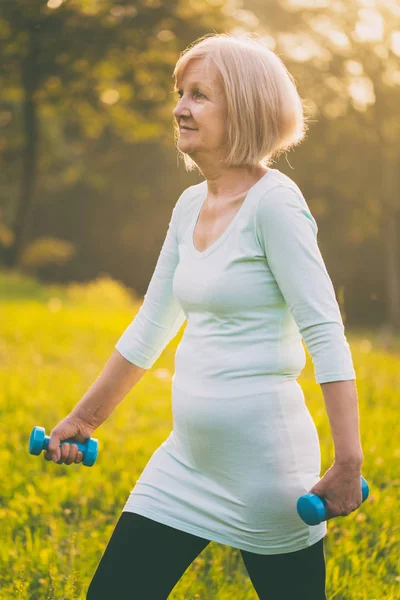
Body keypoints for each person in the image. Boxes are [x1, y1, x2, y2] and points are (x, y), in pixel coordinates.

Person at [45, 33, 364, 599]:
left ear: (242, 107)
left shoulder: (277, 204)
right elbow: (152, 325)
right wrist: (85, 420)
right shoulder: (191, 202)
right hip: (185, 462)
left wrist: (348, 461)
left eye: (199, 95)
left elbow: (324, 331)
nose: (179, 108)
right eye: (180, 93)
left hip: (267, 472)